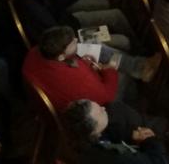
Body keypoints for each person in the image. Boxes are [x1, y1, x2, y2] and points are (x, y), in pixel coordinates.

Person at [21, 26, 159, 112]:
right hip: (92, 107)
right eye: (72, 43)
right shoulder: (78, 78)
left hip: (58, 88)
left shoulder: (36, 52)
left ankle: (141, 66)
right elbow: (107, 96)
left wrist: (87, 64)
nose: (76, 39)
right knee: (123, 77)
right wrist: (109, 69)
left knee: (98, 48)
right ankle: (133, 107)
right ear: (61, 56)